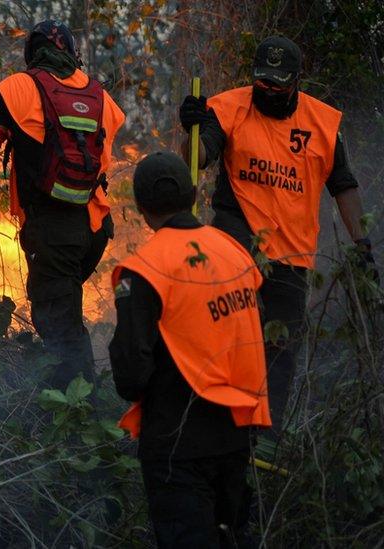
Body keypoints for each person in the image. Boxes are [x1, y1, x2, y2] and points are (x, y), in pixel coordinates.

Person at [178, 35, 377, 430]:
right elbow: (197, 159)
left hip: (291, 257)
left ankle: (265, 437)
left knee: (280, 352)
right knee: (225, 335)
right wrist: (193, 130)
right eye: (262, 81)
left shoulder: (323, 123)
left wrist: (362, 245)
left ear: (296, 80)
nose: (268, 90)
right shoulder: (229, 107)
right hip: (237, 241)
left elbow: (344, 186)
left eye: (278, 83)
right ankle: (211, 425)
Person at [109, 151, 271, 548]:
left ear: (141, 208)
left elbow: (131, 376)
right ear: (194, 194)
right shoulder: (235, 252)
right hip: (236, 432)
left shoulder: (144, 270)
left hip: (178, 444)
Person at [0, 20, 125, 388]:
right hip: (95, 230)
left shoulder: (15, 89)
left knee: (60, 328)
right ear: (72, 54)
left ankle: (82, 415)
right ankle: (74, 396)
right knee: (62, 309)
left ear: (30, 53)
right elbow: (102, 166)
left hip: (53, 232)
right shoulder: (102, 98)